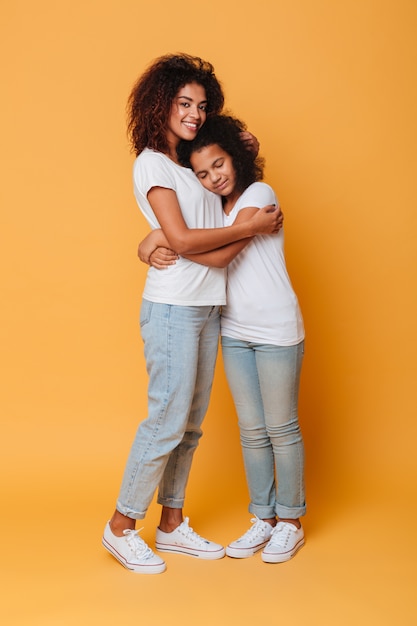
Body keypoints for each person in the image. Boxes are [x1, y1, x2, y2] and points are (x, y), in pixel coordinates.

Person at [102, 54, 282, 575]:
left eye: (202, 106)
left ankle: (172, 524)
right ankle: (120, 525)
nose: (195, 114)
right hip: (172, 307)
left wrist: (157, 240)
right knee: (165, 419)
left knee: (190, 426)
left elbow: (194, 228)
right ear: (160, 103)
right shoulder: (152, 164)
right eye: (185, 103)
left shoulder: (193, 162)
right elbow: (182, 238)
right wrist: (242, 230)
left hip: (207, 305)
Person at [141, 114, 306, 564]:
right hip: (233, 329)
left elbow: (218, 255)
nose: (214, 177)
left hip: (276, 330)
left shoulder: (260, 195)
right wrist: (148, 242)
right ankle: (263, 519)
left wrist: (171, 239)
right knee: (252, 432)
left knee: (281, 428)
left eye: (220, 164)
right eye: (203, 173)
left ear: (236, 156)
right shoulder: (214, 208)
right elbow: (189, 236)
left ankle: (290, 521)